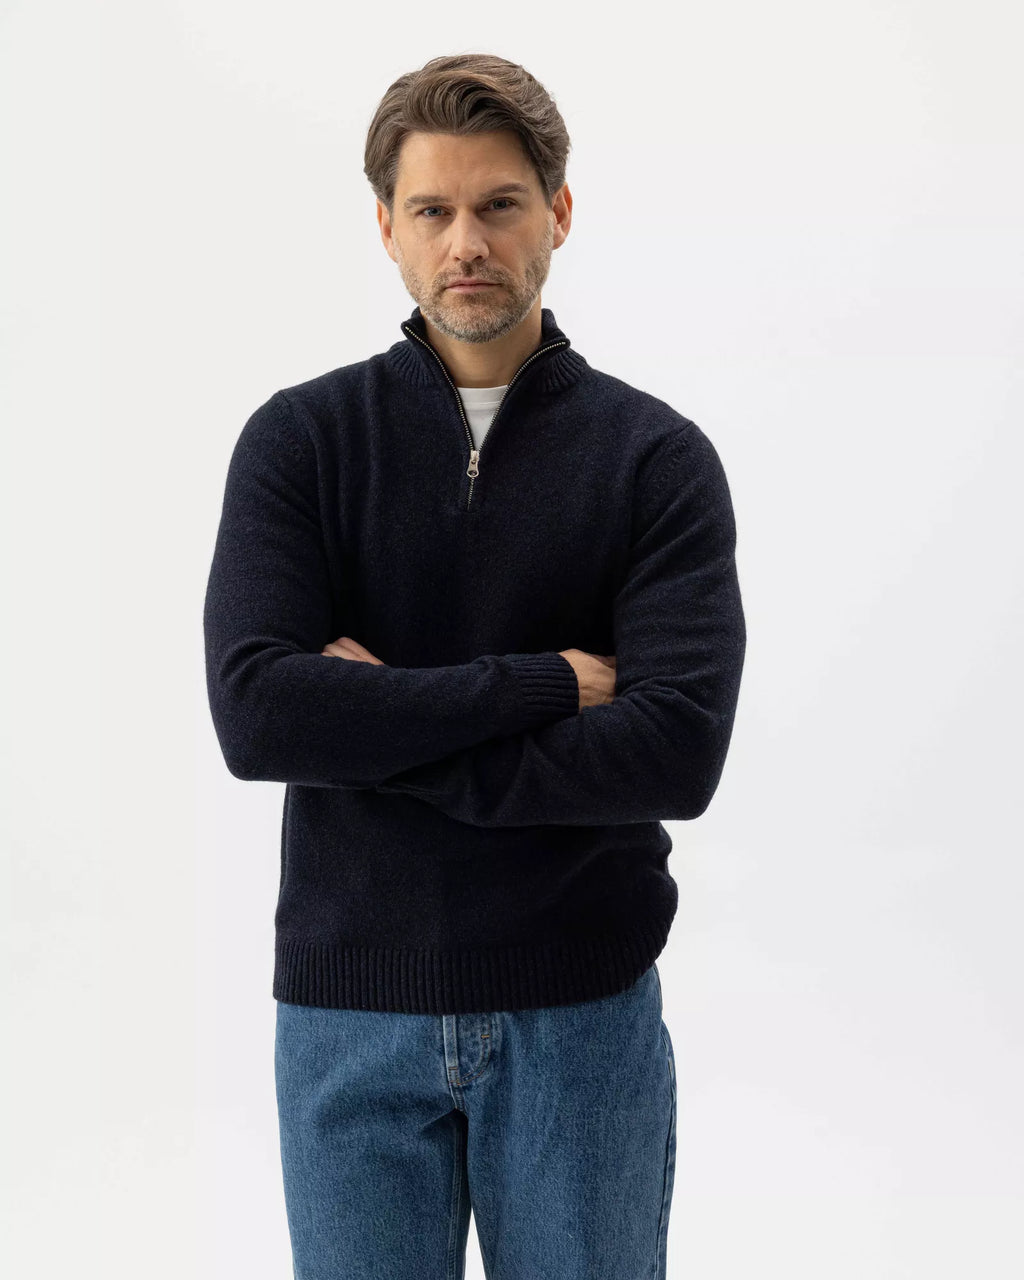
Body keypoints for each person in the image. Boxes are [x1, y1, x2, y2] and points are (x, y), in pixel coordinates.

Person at [203, 50, 746, 1280]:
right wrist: (544, 681)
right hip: (348, 1014)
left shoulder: (654, 460)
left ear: (557, 213)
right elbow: (257, 715)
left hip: (580, 1012)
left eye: (499, 204)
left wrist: (375, 727)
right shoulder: (300, 443)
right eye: (434, 210)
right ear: (387, 227)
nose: (468, 241)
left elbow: (673, 750)